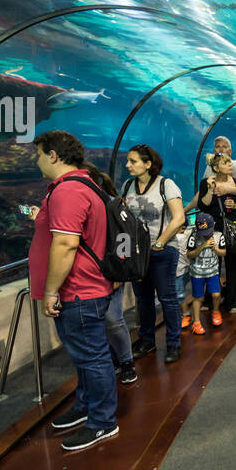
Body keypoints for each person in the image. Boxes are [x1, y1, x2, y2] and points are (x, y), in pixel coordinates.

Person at [29, 130, 119, 452]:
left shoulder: (68, 191)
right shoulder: (83, 184)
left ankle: (103, 422)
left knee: (93, 357)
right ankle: (86, 406)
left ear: (53, 155)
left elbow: (66, 243)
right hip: (86, 289)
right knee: (85, 356)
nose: (37, 160)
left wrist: (51, 291)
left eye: (39, 154)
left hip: (78, 291)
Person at [122, 144, 186, 364]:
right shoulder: (127, 186)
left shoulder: (165, 185)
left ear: (148, 164)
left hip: (162, 252)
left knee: (168, 299)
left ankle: (173, 343)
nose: (127, 165)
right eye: (128, 161)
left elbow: (178, 218)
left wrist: (159, 243)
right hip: (138, 254)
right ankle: (147, 339)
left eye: (133, 161)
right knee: (143, 299)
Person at [82, 162, 138, 385]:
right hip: (88, 275)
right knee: (98, 321)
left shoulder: (112, 205)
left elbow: (123, 239)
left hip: (111, 272)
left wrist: (119, 273)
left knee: (113, 319)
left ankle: (127, 361)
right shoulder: (78, 205)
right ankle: (111, 360)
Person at [203, 152, 236, 313]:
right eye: (226, 163)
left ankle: (235, 301)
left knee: (233, 265)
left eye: (229, 163)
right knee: (212, 265)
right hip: (213, 229)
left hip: (233, 228)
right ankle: (210, 300)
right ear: (216, 168)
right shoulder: (206, 183)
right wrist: (210, 190)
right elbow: (203, 205)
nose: (230, 165)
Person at [185, 212, 225, 331]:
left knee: (216, 294)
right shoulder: (193, 237)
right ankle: (196, 322)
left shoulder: (218, 235)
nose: (206, 236)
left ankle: (216, 311)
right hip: (197, 272)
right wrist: (203, 246)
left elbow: (224, 252)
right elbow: (189, 254)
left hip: (212, 271)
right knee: (198, 297)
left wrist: (216, 249)